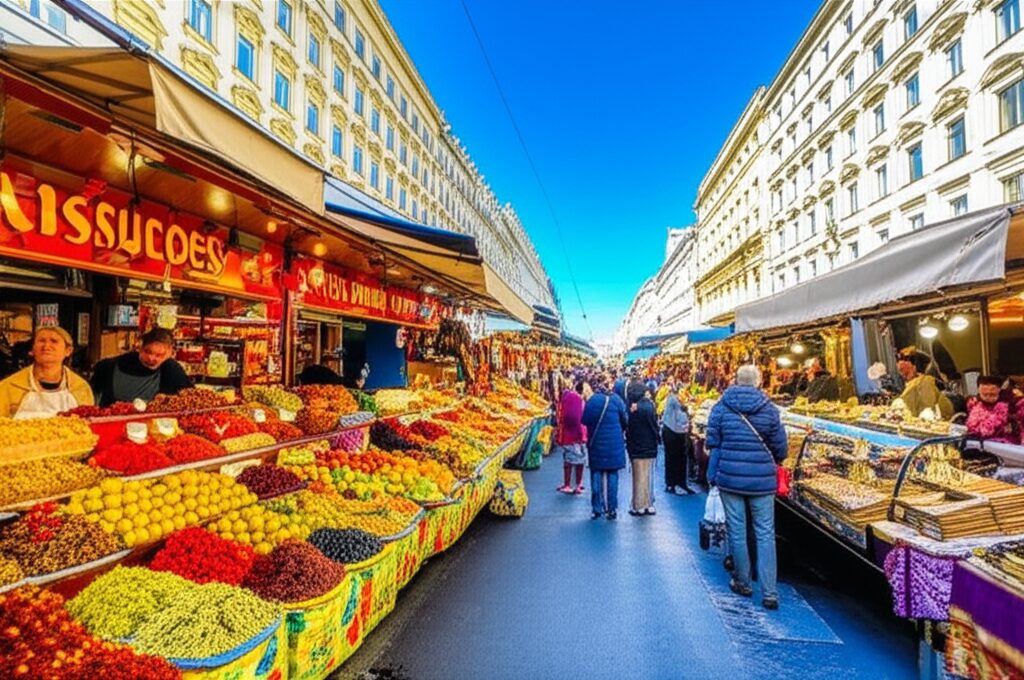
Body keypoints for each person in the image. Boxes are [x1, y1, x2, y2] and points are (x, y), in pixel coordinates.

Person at [706, 364, 788, 610]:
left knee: (737, 531)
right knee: (765, 533)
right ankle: (770, 592)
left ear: (736, 380)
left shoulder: (721, 407)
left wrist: (714, 473)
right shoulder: (770, 409)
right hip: (762, 481)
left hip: (731, 478)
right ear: (758, 381)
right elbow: (781, 448)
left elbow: (713, 443)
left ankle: (742, 582)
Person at [0, 326, 94, 419]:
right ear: (32, 350)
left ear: (68, 351)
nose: (46, 346)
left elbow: (90, 425)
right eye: (41, 341)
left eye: (54, 341)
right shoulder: (8, 387)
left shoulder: (81, 388)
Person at [90, 327, 192, 406]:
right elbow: (91, 395)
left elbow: (189, 396)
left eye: (159, 355)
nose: (151, 358)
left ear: (170, 353)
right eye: (148, 352)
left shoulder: (172, 371)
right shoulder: (109, 366)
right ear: (140, 347)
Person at [581, 374, 629, 520]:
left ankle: (597, 508)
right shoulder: (616, 400)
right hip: (614, 444)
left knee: (596, 474)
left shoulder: (592, 401)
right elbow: (625, 420)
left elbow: (584, 420)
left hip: (596, 445)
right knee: (612, 474)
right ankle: (612, 509)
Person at [626, 386, 660, 516]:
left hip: (637, 447)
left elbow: (630, 429)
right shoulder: (651, 407)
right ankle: (649, 504)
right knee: (648, 476)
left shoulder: (634, 409)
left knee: (638, 477)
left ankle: (638, 505)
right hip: (650, 447)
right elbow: (654, 426)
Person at [896, 347, 953, 419]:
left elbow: (928, 407)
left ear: (914, 367)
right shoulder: (918, 383)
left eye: (903, 371)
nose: (902, 374)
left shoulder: (925, 381)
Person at [554, 381, 587, 494]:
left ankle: (569, 485)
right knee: (580, 459)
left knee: (569, 460)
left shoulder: (570, 399)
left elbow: (569, 418)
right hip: (581, 434)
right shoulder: (579, 400)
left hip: (573, 435)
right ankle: (577, 484)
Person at [965, 375, 1019, 443]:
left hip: (1005, 444)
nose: (988, 397)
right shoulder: (974, 403)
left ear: (999, 390)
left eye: (992, 394)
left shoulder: (1010, 404)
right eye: (984, 394)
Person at [662, 384, 693, 495]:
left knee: (679, 458)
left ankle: (678, 483)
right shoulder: (673, 400)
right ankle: (672, 483)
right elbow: (679, 415)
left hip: (675, 432)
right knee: (672, 458)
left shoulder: (674, 400)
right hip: (671, 432)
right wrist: (686, 409)